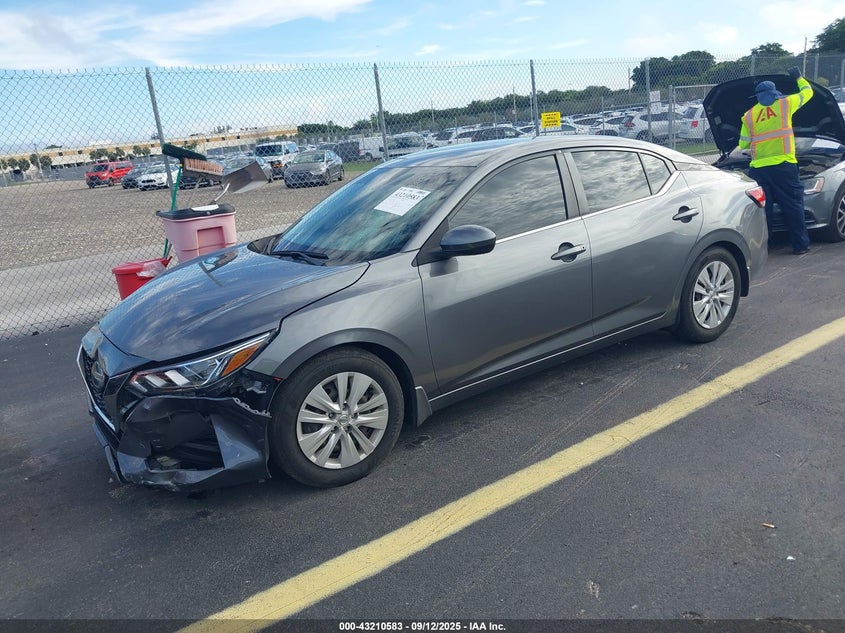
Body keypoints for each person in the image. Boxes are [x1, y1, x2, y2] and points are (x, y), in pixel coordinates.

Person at [738, 67, 814, 254]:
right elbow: (808, 92)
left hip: (759, 170)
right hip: (784, 166)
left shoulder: (748, 116)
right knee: (793, 206)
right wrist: (798, 77)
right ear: (774, 94)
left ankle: (765, 248)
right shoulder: (786, 104)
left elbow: (743, 145)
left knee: (764, 211)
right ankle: (800, 246)